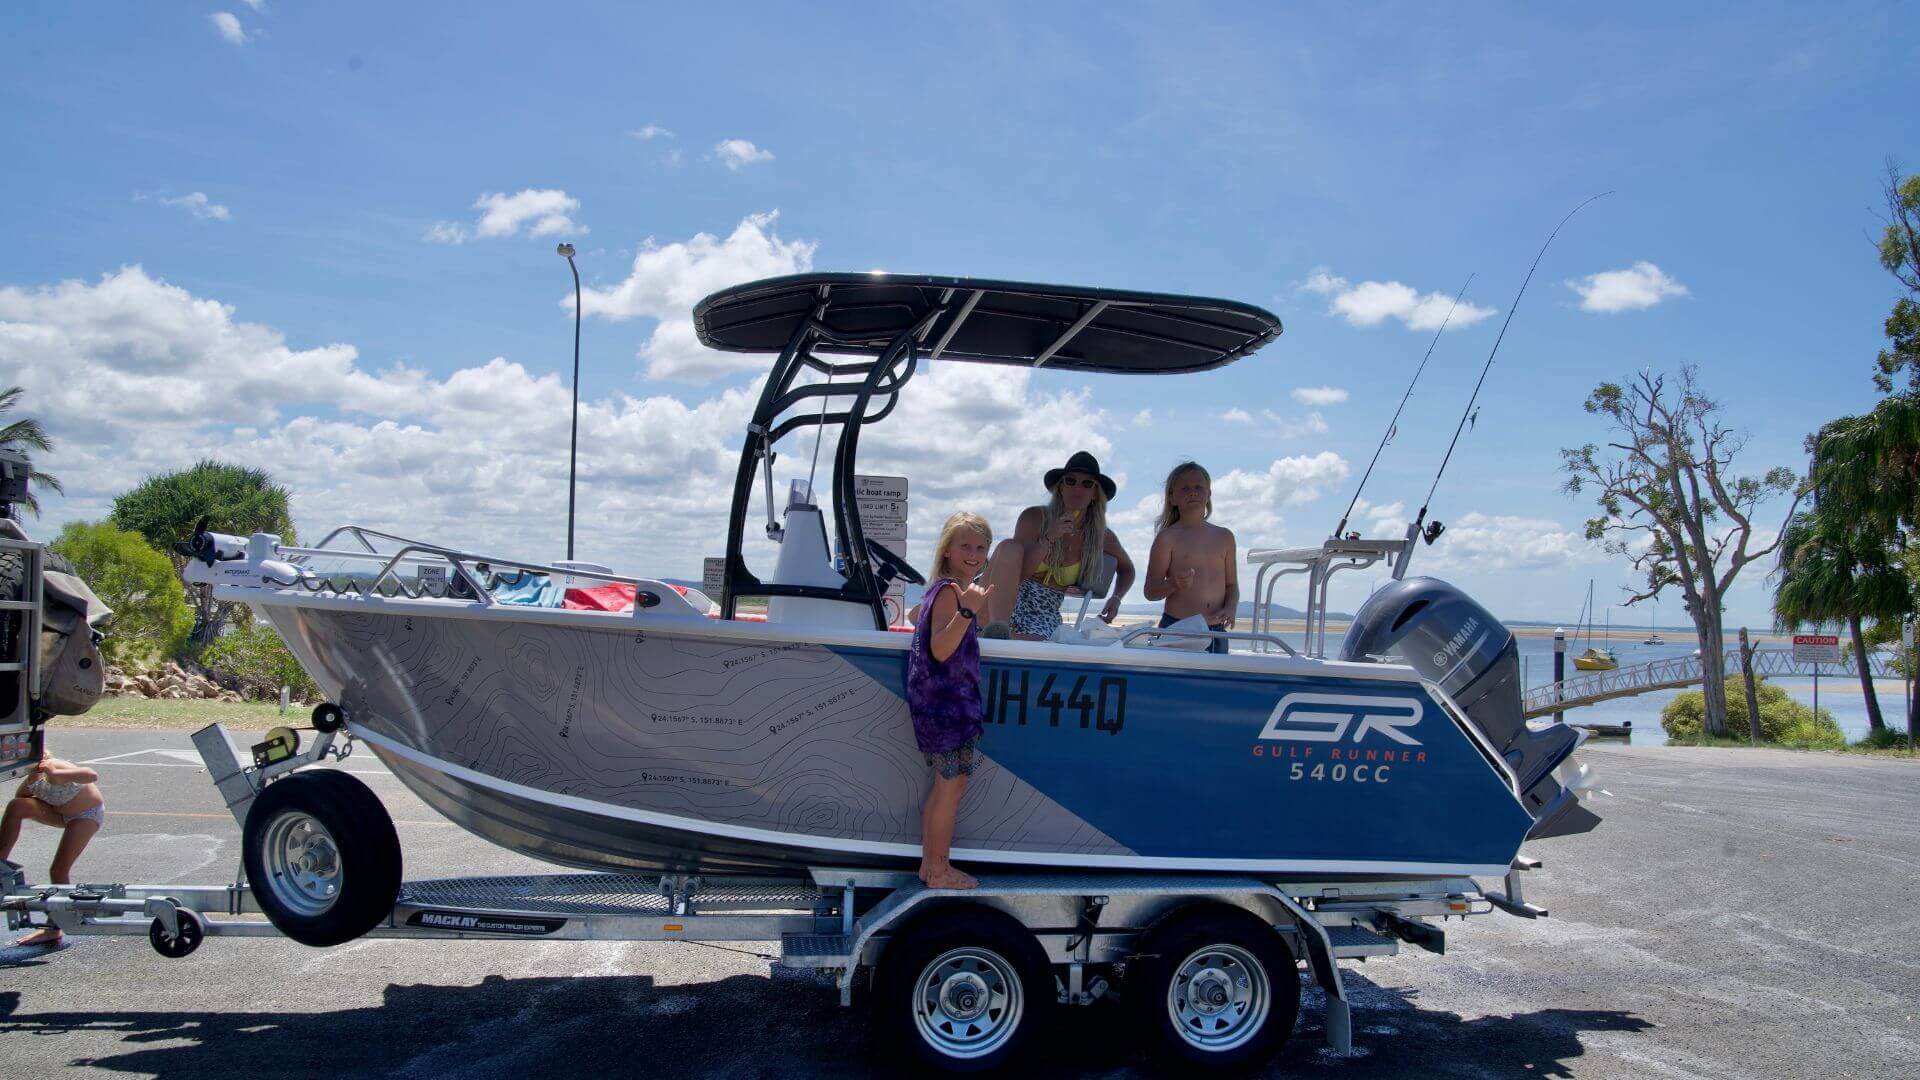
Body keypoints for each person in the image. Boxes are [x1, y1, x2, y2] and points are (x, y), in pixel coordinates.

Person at [907, 512, 993, 890]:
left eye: (981, 547)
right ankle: (939, 870)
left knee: (948, 785)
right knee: (950, 786)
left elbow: (916, 617)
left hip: (940, 706)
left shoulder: (942, 589)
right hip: (946, 707)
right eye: (966, 546)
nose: (974, 554)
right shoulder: (950, 592)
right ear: (947, 550)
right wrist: (968, 611)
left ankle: (930, 866)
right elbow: (941, 649)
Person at [981, 450, 1135, 639]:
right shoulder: (1034, 518)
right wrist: (1048, 539)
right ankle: (998, 631)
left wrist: (1116, 598)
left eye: (1087, 484)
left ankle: (996, 639)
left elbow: (1127, 570)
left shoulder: (1102, 536)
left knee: (1038, 642)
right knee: (1008, 547)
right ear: (1060, 487)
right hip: (1004, 598)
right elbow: (1019, 575)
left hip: (1045, 609)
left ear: (1095, 493)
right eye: (1070, 481)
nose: (1077, 488)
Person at [2, 748, 105, 946]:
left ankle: (54, 928)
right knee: (17, 805)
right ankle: (1, 864)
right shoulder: (31, 780)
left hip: (86, 815)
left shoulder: (56, 767)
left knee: (58, 869)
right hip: (61, 814)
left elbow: (92, 775)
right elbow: (21, 802)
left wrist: (55, 773)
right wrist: (32, 782)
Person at [1142, 461, 1238, 654]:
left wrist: (1230, 608)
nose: (1192, 492)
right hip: (1178, 630)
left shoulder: (1225, 537)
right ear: (1172, 498)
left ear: (1209, 493)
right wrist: (1173, 584)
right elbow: (1150, 591)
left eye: (1198, 487)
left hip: (1217, 631)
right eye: (1184, 488)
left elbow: (1231, 586)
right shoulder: (1167, 538)